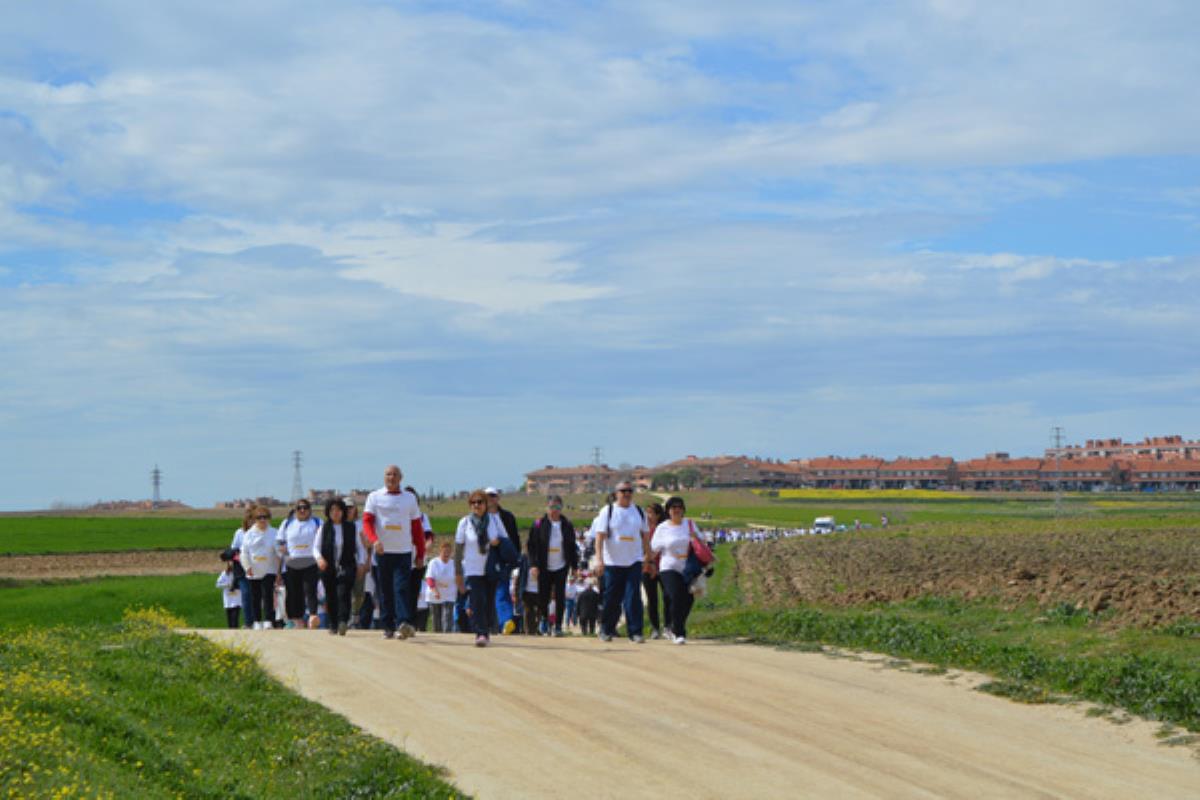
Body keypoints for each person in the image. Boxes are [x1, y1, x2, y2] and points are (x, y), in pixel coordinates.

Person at [363, 465, 426, 640]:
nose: (391, 477)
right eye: (388, 474)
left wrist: (420, 553)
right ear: (384, 477)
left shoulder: (409, 498)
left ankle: (403, 623)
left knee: (401, 588)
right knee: (385, 591)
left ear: (401, 478)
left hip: (403, 551)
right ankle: (388, 626)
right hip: (382, 552)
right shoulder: (374, 497)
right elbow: (367, 522)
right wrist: (374, 540)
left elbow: (417, 528)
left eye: (395, 474)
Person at [595, 481, 650, 643]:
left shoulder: (639, 512)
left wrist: (648, 556)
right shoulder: (608, 511)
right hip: (612, 562)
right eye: (623, 491)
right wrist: (599, 559)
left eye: (629, 491)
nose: (627, 493)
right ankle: (606, 629)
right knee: (612, 598)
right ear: (616, 493)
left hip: (633, 561)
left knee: (633, 597)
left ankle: (635, 632)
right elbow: (599, 537)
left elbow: (645, 535)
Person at [455, 489, 510, 647]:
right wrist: (458, 573)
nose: (477, 505)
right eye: (474, 502)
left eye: (480, 502)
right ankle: (481, 633)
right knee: (478, 600)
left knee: (489, 600)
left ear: (486, 504)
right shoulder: (464, 523)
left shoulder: (494, 520)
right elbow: (458, 549)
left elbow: (505, 540)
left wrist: (497, 542)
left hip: (491, 567)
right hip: (473, 568)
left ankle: (486, 629)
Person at [526, 495, 579, 637]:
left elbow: (572, 546)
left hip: (561, 565)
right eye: (551, 507)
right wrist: (533, 565)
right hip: (544, 565)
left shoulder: (567, 525)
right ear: (546, 508)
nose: (554, 510)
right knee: (543, 595)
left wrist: (574, 566)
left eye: (557, 507)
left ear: (561, 508)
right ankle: (544, 620)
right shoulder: (538, 524)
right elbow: (531, 546)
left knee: (560, 596)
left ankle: (558, 626)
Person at [651, 496, 701, 644]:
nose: (677, 510)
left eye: (679, 507)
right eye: (673, 507)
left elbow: (702, 542)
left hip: (688, 567)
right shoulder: (662, 528)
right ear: (668, 511)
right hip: (668, 566)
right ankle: (678, 632)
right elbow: (654, 549)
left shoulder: (690, 524)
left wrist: (695, 538)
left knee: (689, 599)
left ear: (683, 509)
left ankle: (676, 624)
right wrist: (647, 562)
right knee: (675, 595)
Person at [316, 497, 367, 636]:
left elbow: (360, 548)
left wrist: (361, 562)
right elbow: (315, 548)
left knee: (343, 593)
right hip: (328, 567)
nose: (335, 513)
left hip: (347, 566)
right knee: (331, 595)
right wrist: (319, 558)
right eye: (332, 510)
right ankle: (333, 624)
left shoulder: (351, 527)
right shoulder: (324, 528)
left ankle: (343, 620)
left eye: (338, 509)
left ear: (343, 511)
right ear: (328, 512)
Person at [278, 499, 322, 629]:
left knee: (310, 590)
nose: (302, 510)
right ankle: (296, 620)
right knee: (293, 592)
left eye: (305, 507)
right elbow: (279, 542)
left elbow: (323, 540)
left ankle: (313, 615)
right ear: (295, 510)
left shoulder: (317, 522)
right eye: (299, 508)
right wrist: (282, 550)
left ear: (310, 509)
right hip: (292, 562)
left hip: (311, 561)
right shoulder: (287, 523)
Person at [485, 487, 520, 633]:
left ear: (498, 498)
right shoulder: (477, 517)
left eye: (493, 496)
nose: (490, 499)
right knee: (483, 594)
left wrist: (515, 558)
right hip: (483, 559)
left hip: (502, 559)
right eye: (487, 496)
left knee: (502, 591)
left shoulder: (507, 517)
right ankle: (487, 625)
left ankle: (505, 622)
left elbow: (514, 538)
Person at [241, 505, 280, 630]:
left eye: (265, 517)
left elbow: (279, 552)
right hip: (253, 569)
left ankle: (268, 620)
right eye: (259, 517)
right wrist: (247, 567)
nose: (262, 520)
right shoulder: (249, 534)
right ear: (254, 519)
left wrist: (279, 570)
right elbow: (244, 552)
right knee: (255, 596)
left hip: (269, 568)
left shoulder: (274, 533)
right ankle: (257, 621)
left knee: (267, 594)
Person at [642, 502, 668, 640]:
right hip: (647, 567)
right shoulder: (643, 529)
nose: (648, 516)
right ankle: (655, 628)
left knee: (667, 597)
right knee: (652, 599)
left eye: (651, 513)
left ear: (658, 515)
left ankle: (668, 626)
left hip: (663, 567)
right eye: (647, 513)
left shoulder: (664, 528)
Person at [228, 507, 254, 628]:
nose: (252, 522)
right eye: (250, 519)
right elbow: (233, 549)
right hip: (242, 569)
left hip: (258, 568)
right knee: (246, 594)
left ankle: (260, 620)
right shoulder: (239, 533)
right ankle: (249, 622)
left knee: (258, 595)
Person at [424, 539, 457, 633]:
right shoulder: (434, 563)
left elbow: (458, 577)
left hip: (449, 594)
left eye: (448, 552)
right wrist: (435, 591)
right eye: (444, 552)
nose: (446, 554)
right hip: (435, 594)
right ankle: (438, 635)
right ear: (440, 551)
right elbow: (429, 578)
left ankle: (447, 634)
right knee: (436, 619)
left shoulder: (453, 563)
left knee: (447, 617)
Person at [217, 549, 241, 629]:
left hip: (236, 600)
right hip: (228, 600)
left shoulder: (237, 573)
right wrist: (227, 585)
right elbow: (218, 584)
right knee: (229, 619)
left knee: (235, 619)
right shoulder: (224, 574)